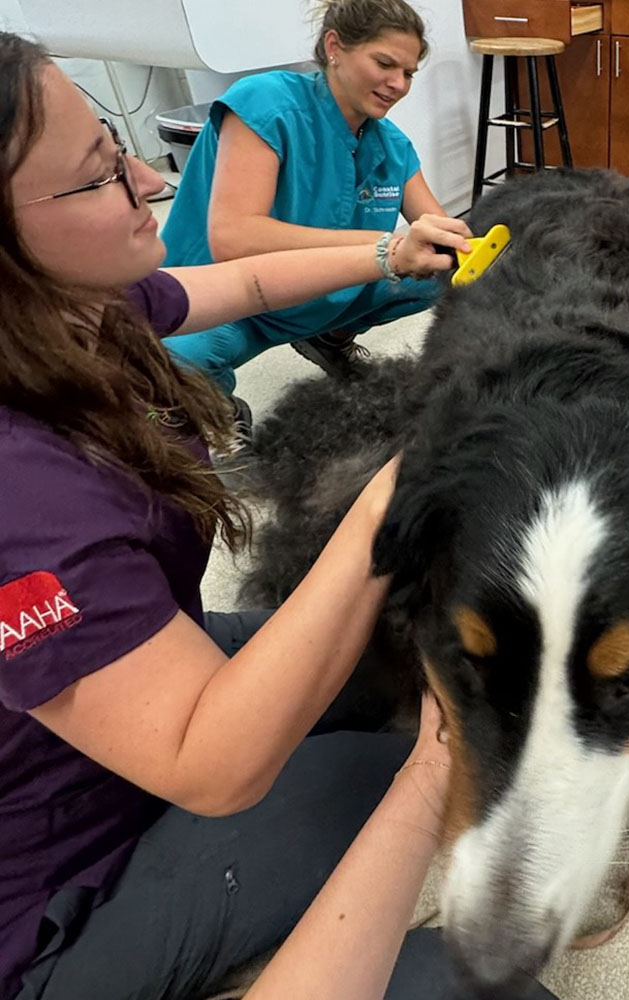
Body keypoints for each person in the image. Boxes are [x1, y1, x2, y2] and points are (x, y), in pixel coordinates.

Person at [0, 32, 553, 1000]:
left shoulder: (72, 306)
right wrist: (395, 488)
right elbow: (212, 767)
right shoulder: (22, 498)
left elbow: (243, 281)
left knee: (384, 668)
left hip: (122, 675)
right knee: (401, 761)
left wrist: (390, 249)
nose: (143, 173)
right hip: (47, 882)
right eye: (97, 177)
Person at [161, 0, 451, 396]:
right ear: (334, 47)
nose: (398, 84)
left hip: (324, 299)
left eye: (408, 73)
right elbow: (234, 237)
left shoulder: (392, 146)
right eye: (384, 64)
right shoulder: (265, 104)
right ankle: (221, 417)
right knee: (173, 363)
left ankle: (329, 337)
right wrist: (385, 248)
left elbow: (444, 235)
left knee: (445, 272)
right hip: (238, 306)